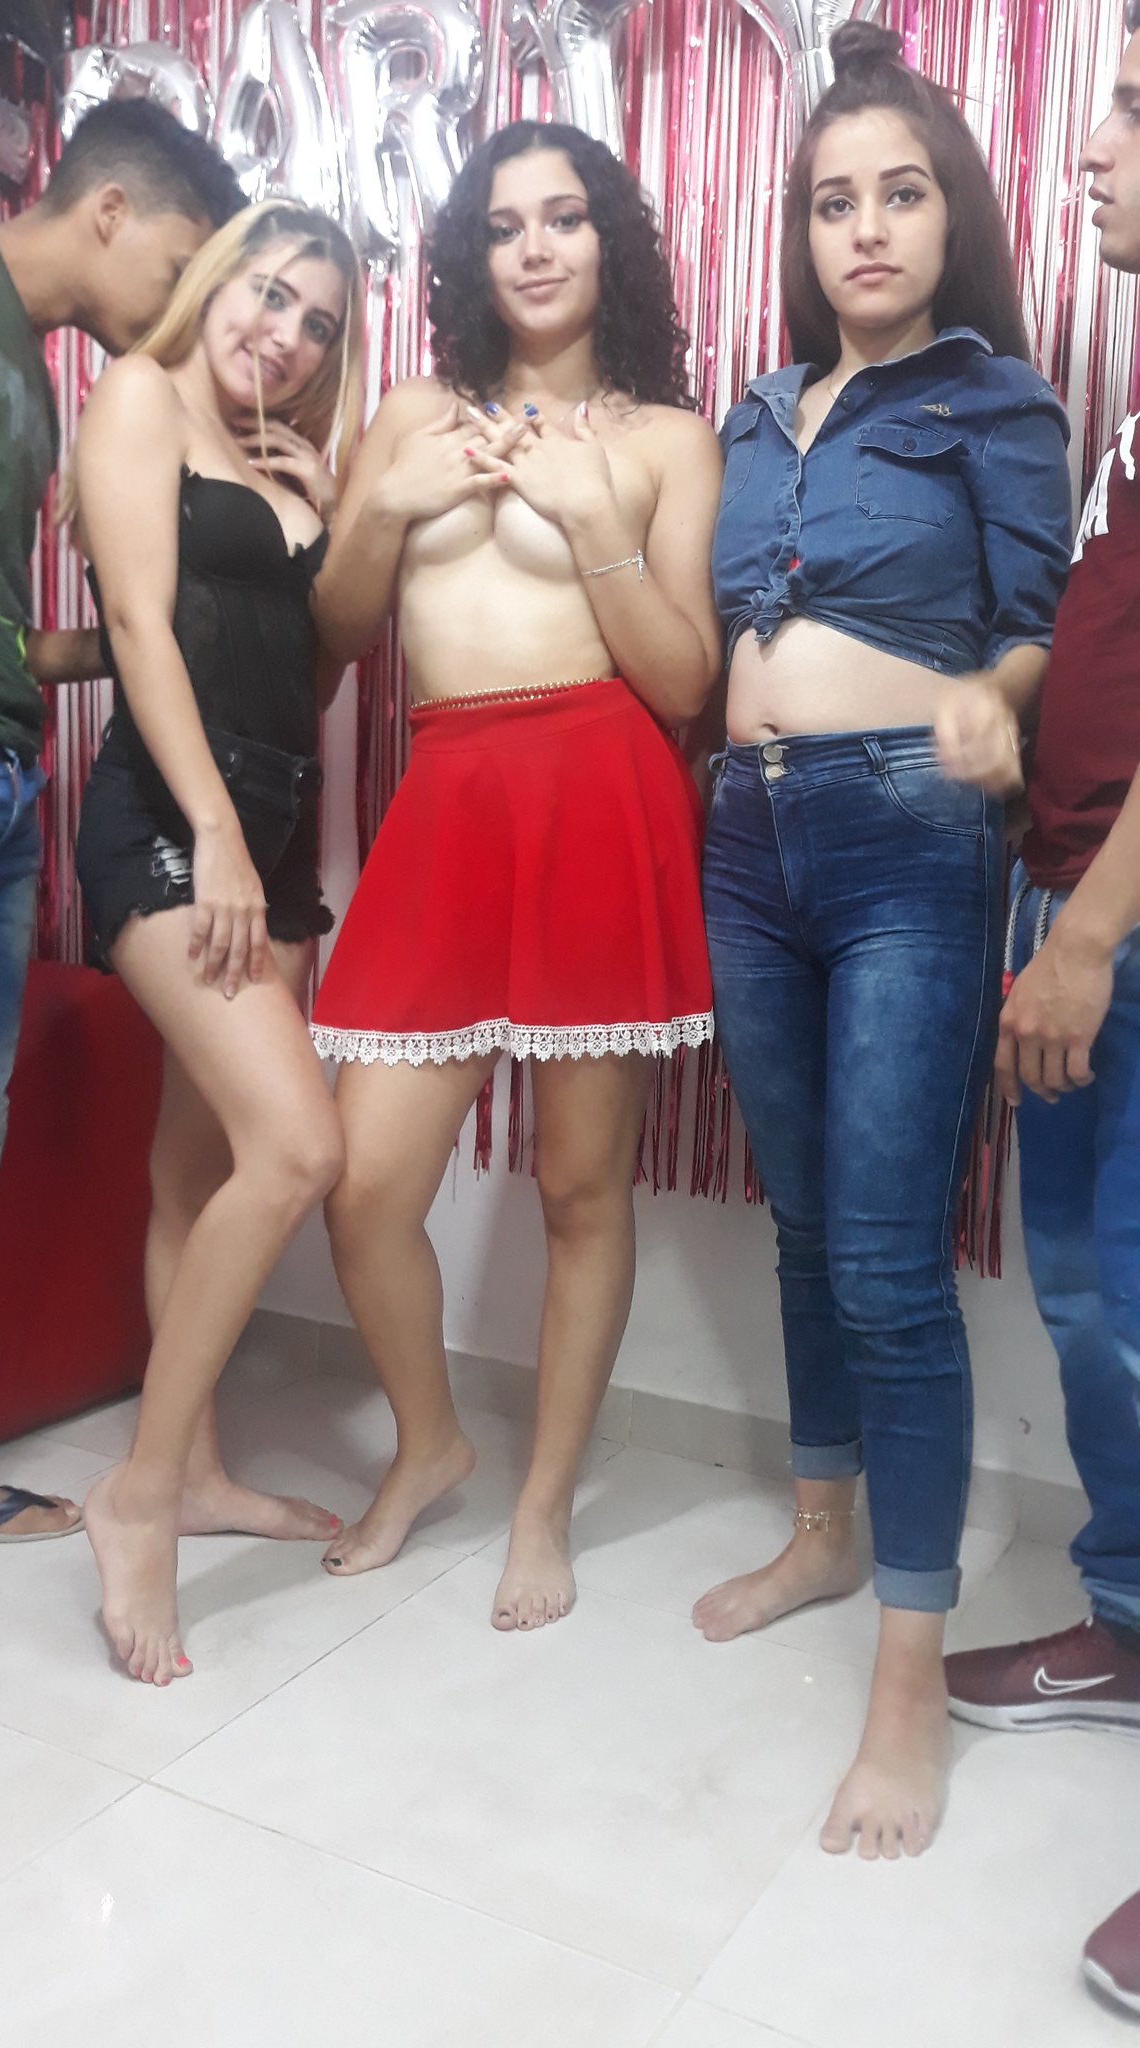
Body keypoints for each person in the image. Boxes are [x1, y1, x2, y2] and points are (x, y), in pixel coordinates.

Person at [692, 21, 1072, 1859]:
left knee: (887, 1260)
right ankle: (822, 1529)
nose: (864, 227)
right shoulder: (754, 413)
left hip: (910, 829)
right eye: (833, 200)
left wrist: (999, 696)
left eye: (900, 194)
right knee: (800, 1225)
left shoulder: (996, 400)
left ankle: (908, 1682)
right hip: (743, 834)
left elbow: (1034, 623)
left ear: (950, 217)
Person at [308, 120, 721, 1631]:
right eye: (503, 225)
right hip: (450, 795)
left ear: (611, 240)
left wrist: (599, 523)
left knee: (577, 1185)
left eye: (564, 217)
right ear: (469, 255)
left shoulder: (666, 440)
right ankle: (431, 1443)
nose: (535, 247)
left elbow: (685, 684)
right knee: (363, 1186)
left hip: (599, 790)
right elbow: (337, 633)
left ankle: (542, 1506)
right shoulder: (416, 411)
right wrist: (384, 503)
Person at [71, 200, 365, 1683]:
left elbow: (307, 680)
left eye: (319, 321)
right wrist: (218, 834)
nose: (286, 334)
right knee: (300, 1150)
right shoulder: (138, 395)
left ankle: (191, 1475)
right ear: (215, 275)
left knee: (197, 1173)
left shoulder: (278, 461)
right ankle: (136, 1492)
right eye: (269, 291)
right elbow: (137, 623)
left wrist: (328, 508)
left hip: (277, 830)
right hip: (177, 822)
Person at [943, 3, 1140, 2009]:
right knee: (1085, 1297)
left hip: (1120, 921)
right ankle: (1131, 1620)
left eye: (1136, 115)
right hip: (1078, 893)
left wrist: (1088, 934)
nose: (1093, 148)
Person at [0, 99, 242, 1545]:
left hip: (6, 771)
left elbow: (8, 637)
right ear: (108, 212)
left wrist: (135, 640)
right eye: (180, 263)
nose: (185, 302)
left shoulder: (36, 372)